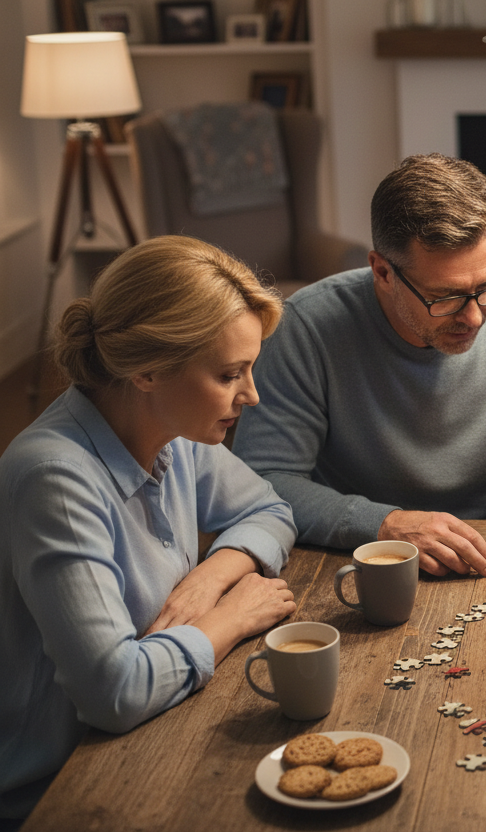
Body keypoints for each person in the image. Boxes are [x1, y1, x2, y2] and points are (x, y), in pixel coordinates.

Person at [0, 236, 298, 822]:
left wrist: (212, 576)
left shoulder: (174, 430)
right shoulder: (54, 479)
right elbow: (114, 693)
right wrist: (231, 618)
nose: (252, 395)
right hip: (59, 793)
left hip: (158, 732)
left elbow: (270, 510)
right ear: (147, 371)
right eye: (229, 374)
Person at [233, 153, 486, 590]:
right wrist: (384, 524)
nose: (474, 316)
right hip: (358, 561)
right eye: (446, 296)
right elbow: (265, 481)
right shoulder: (305, 327)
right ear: (383, 271)